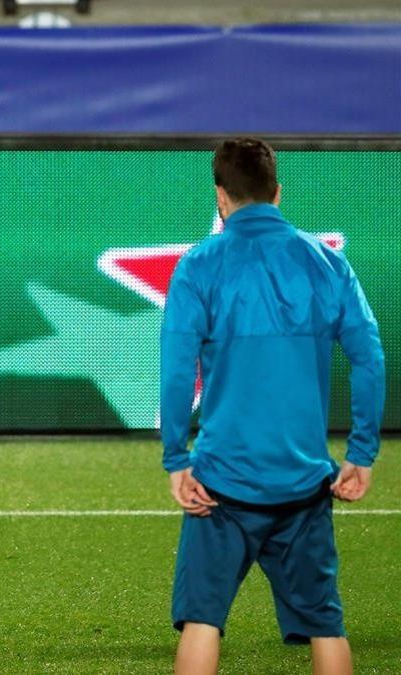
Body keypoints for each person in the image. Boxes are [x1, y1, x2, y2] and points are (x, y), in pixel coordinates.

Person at [160, 137, 385, 675]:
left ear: (220, 195)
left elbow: (173, 370)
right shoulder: (327, 264)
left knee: (202, 622)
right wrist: (362, 451)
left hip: (220, 480)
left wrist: (176, 456)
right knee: (326, 626)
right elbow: (369, 358)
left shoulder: (198, 265)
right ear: (277, 191)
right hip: (305, 482)